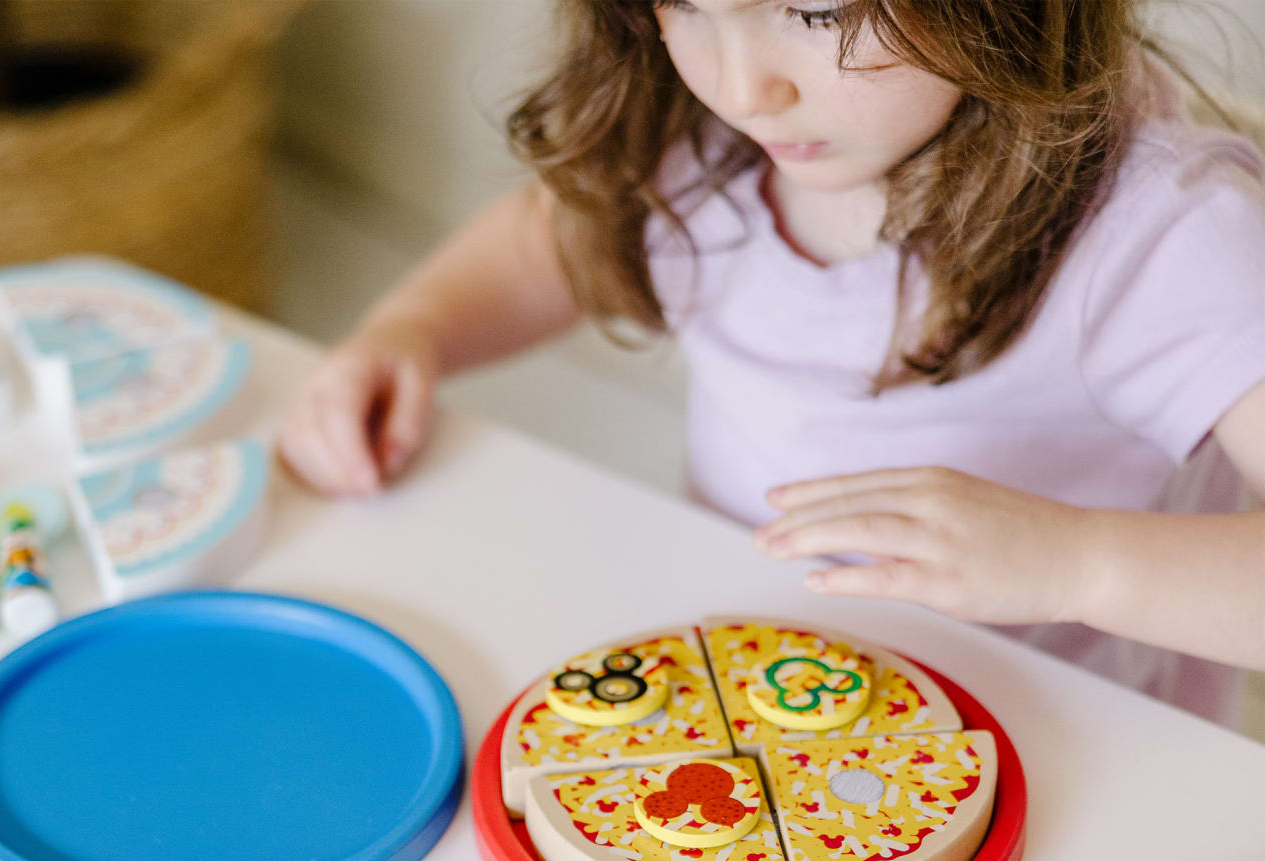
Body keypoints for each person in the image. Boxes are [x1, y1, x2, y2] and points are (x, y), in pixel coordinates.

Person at [278, 0, 1265, 726]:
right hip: (757, 705)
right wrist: (414, 328)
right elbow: (556, 236)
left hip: (1063, 753)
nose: (746, 83)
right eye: (688, 4)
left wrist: (1073, 564)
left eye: (816, 11)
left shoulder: (1159, 238)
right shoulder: (704, 134)